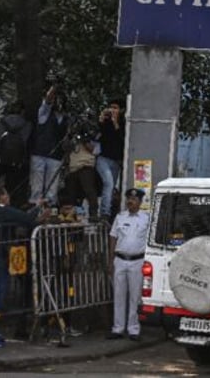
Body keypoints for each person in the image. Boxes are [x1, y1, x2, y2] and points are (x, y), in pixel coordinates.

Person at [0, 184, 49, 347]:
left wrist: (36, 207)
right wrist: (39, 211)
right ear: (1, 197)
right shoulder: (4, 211)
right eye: (7, 194)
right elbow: (26, 219)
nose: (9, 197)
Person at [107, 188, 149, 341]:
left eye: (134, 200)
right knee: (118, 295)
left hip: (137, 261)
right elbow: (113, 238)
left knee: (135, 296)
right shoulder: (120, 217)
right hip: (120, 260)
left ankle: (133, 329)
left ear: (140, 202)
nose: (130, 202)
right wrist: (110, 261)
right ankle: (117, 328)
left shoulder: (146, 218)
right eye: (128, 200)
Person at [29, 85, 69, 208]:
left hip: (56, 156)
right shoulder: (44, 113)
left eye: (61, 100)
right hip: (39, 153)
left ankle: (49, 209)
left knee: (52, 189)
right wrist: (54, 87)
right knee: (37, 186)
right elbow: (47, 101)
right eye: (57, 99)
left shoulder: (66, 118)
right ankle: (35, 209)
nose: (58, 102)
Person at [0, 101, 33, 208]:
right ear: (23, 112)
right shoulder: (27, 125)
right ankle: (11, 207)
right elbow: (29, 144)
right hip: (17, 162)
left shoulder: (1, 122)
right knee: (12, 186)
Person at [63, 127, 101, 221]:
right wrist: (71, 136)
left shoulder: (91, 137)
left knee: (89, 191)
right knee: (71, 194)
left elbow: (95, 150)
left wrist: (85, 139)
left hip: (86, 166)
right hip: (73, 168)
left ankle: (93, 214)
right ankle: (71, 215)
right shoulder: (73, 138)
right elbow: (65, 147)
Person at [96, 99, 125, 222]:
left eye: (115, 108)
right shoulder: (105, 122)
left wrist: (115, 122)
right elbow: (96, 133)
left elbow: (122, 138)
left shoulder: (123, 123)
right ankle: (105, 213)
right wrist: (102, 118)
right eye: (111, 107)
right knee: (108, 183)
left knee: (112, 187)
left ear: (121, 110)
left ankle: (111, 213)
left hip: (116, 161)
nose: (112, 110)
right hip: (103, 158)